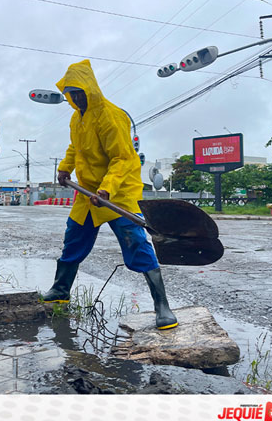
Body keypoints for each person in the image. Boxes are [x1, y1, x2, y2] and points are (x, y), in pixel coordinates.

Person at [41, 59, 177, 330]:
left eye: (80, 92)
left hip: (117, 193)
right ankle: (60, 290)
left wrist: (107, 188)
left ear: (90, 89)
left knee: (135, 243)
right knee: (73, 240)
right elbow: (75, 148)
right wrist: (65, 169)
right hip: (88, 193)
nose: (76, 98)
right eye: (72, 93)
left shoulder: (111, 116)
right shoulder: (76, 117)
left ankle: (162, 305)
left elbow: (123, 159)